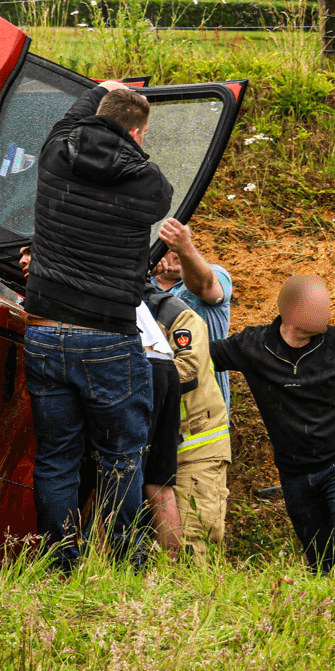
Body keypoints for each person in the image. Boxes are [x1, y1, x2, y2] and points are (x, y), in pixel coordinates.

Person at [23, 81, 173, 574]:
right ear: (137, 133)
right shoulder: (150, 183)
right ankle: (124, 564)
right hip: (109, 338)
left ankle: (60, 565)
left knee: (57, 459)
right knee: (121, 458)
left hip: (44, 328)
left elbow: (73, 122)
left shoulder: (54, 152)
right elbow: (159, 200)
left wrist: (99, 91)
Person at [211, 275, 335, 570]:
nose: (329, 314)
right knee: (323, 564)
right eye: (320, 307)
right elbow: (199, 356)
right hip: (295, 474)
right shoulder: (253, 345)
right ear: (292, 311)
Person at [150, 285, 232, 557]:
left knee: (192, 543)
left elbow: (187, 371)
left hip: (196, 447)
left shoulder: (176, 316)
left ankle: (194, 599)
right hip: (156, 446)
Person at [155, 217, 234, 407]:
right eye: (170, 245)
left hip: (206, 413)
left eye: (183, 242)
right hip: (159, 404)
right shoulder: (141, 284)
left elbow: (205, 288)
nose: (176, 253)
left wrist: (185, 249)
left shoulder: (215, 274)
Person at [138, 293, 186, 555]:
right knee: (159, 481)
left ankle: (97, 569)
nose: (22, 260)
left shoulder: (62, 268)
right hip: (165, 364)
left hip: (136, 359)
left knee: (115, 475)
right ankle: (173, 573)